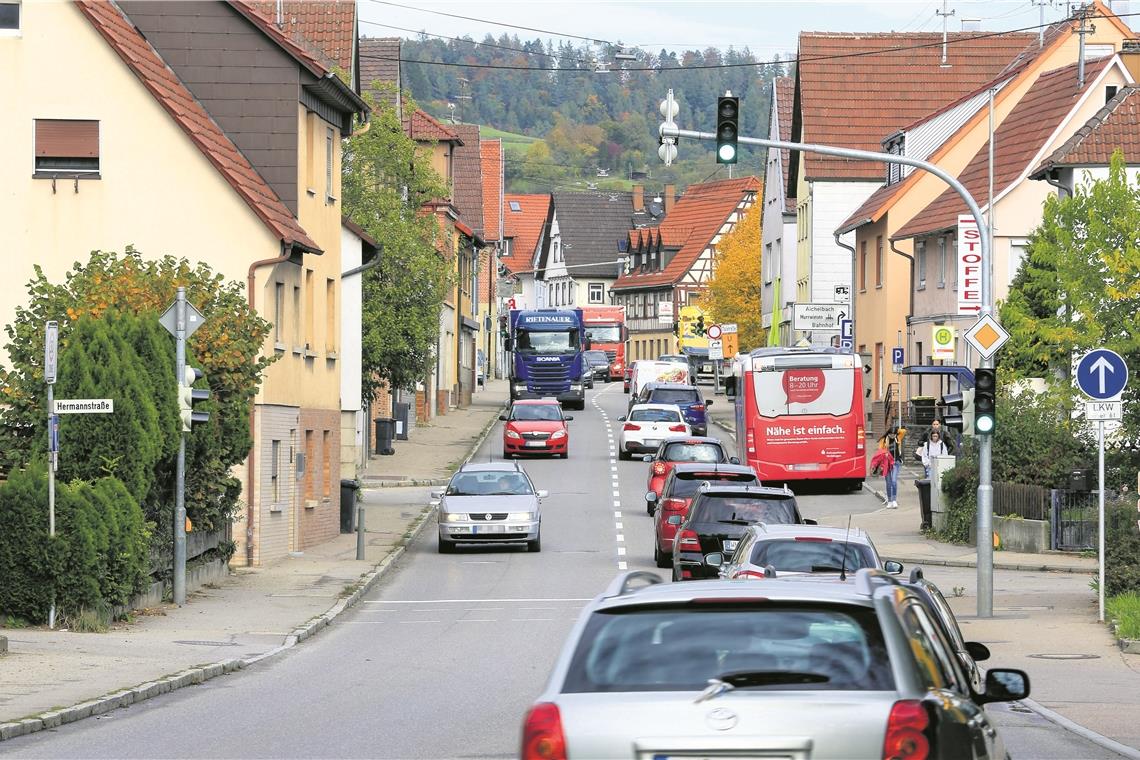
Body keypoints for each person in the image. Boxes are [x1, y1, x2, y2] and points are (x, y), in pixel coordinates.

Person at [878, 425, 906, 509]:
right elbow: (880, 451)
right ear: (888, 433)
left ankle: (894, 500)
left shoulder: (898, 438)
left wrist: (897, 429)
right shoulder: (883, 440)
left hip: (896, 462)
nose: (892, 436)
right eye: (891, 434)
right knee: (888, 483)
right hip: (886, 463)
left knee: (894, 481)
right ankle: (889, 501)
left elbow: (903, 431)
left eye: (894, 434)